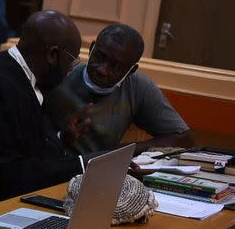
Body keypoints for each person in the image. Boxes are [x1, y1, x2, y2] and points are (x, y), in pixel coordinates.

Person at [0, 10, 90, 205]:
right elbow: (6, 175)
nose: (70, 70)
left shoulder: (20, 76)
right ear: (53, 55)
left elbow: (23, 149)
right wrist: (83, 164)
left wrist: (62, 139)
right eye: (72, 61)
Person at [44, 23, 192, 155]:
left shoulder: (137, 87)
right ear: (91, 49)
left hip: (98, 173)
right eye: (99, 57)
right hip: (48, 166)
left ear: (131, 71)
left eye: (116, 66)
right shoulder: (62, 71)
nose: (102, 70)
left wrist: (121, 152)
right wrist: (61, 137)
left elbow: (183, 139)